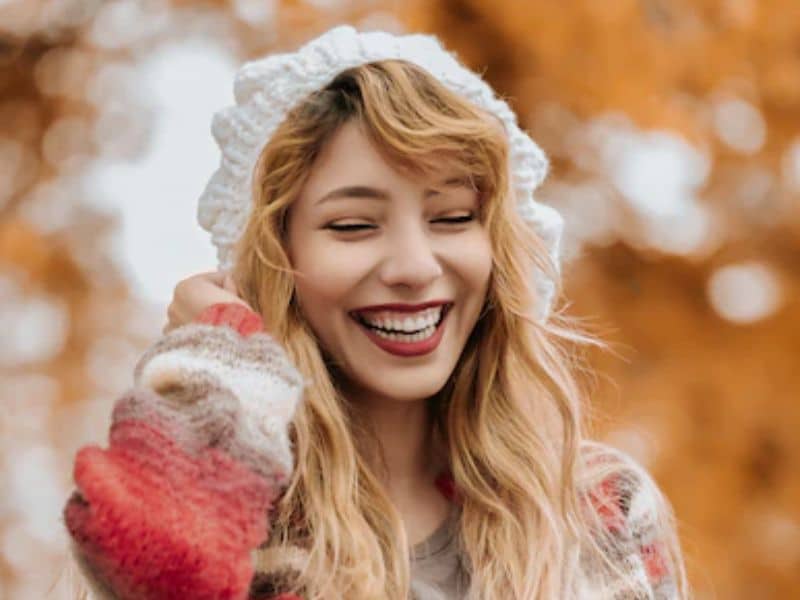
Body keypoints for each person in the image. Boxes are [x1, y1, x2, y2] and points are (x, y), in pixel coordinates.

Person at [60, 25, 690, 599]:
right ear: (273, 258)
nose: (414, 266)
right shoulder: (232, 526)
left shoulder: (599, 515)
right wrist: (212, 371)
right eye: (354, 225)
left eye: (453, 218)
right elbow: (159, 566)